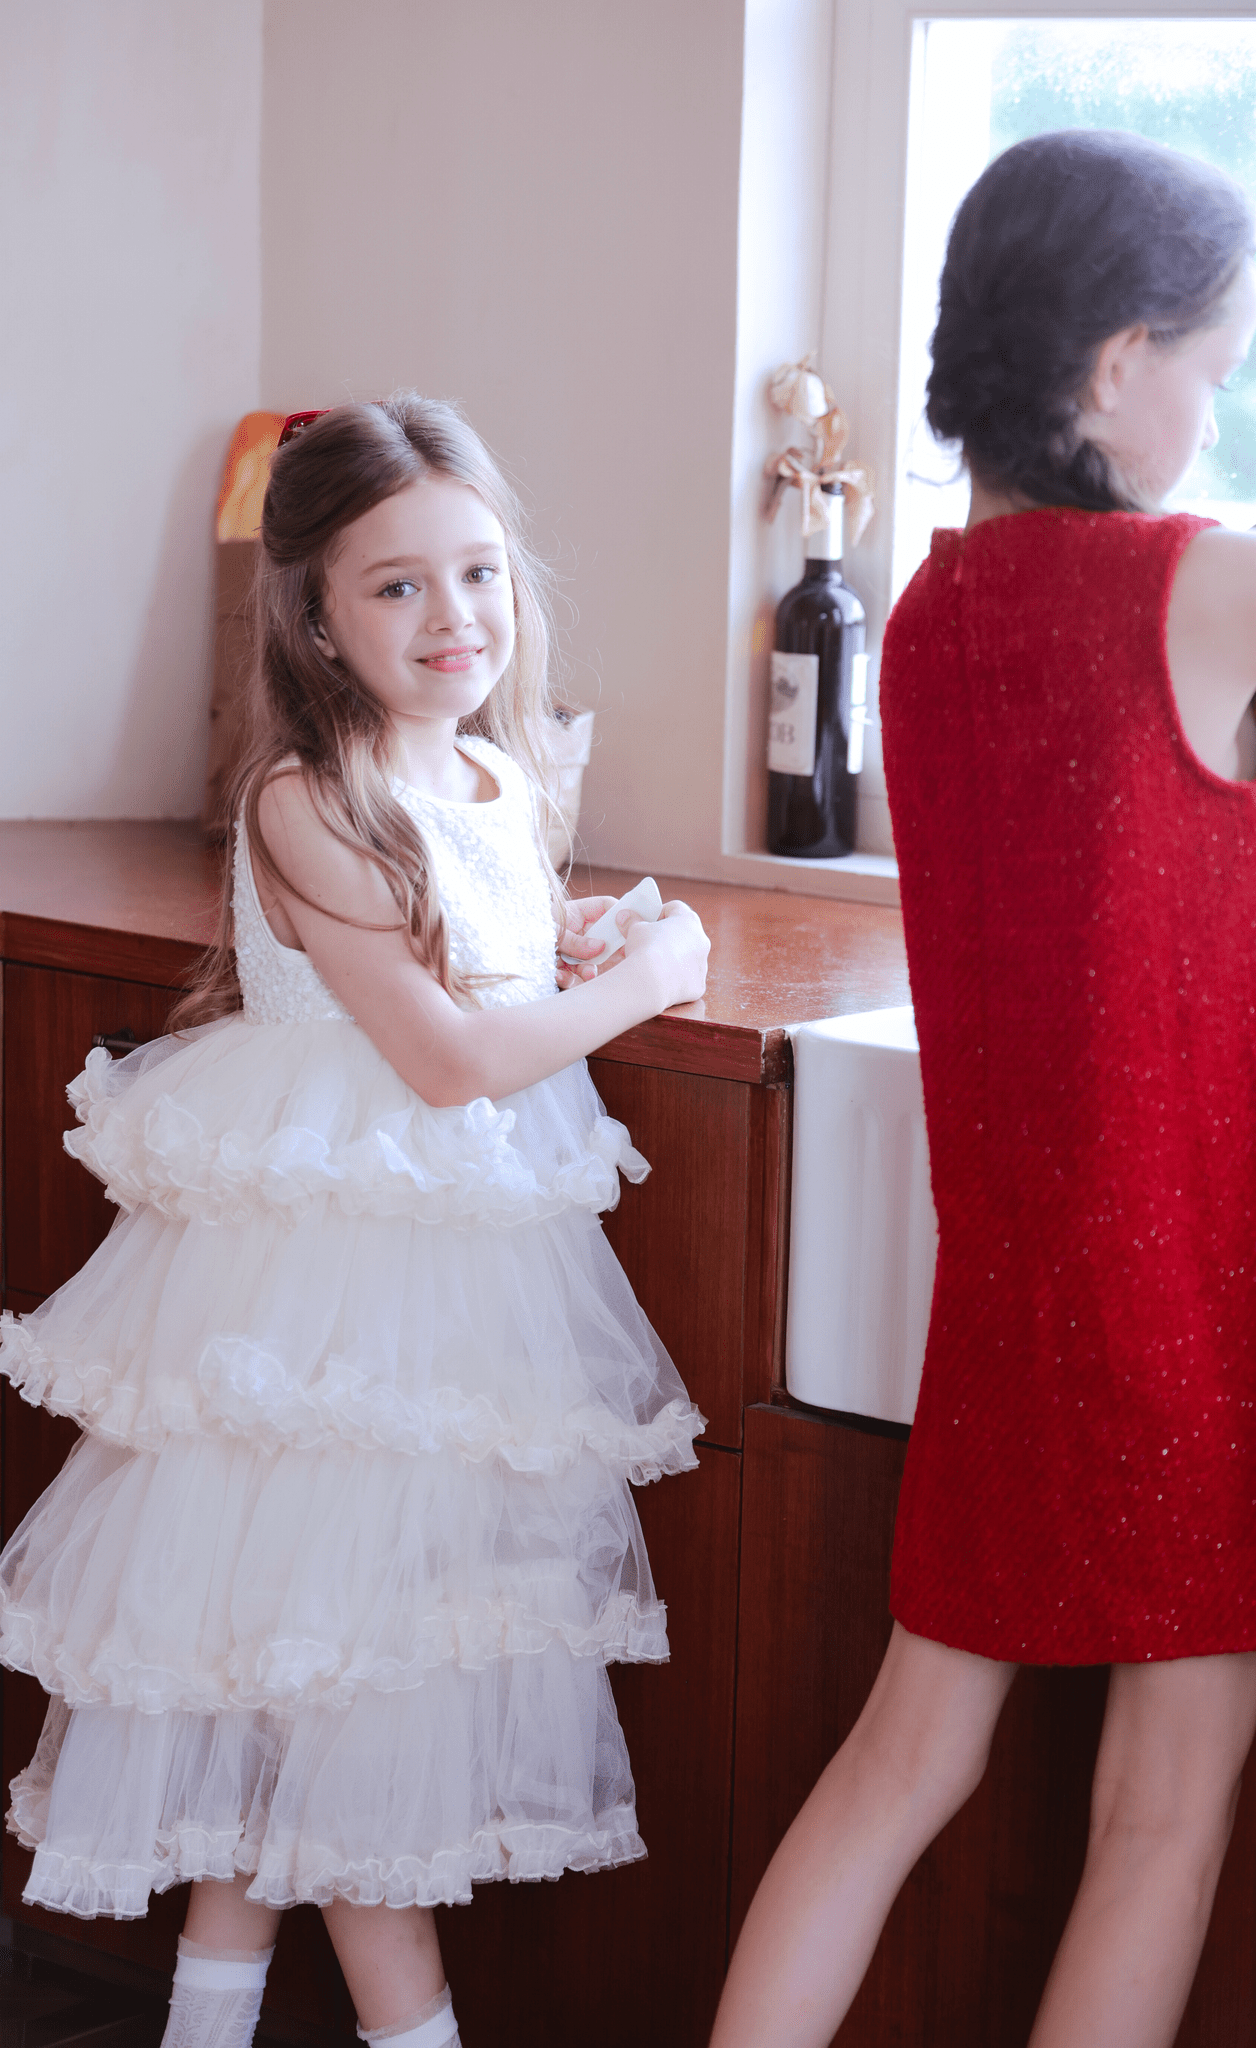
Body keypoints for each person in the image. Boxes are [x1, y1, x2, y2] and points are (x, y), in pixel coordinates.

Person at [0, 396, 710, 2048]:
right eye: (397, 588)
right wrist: (652, 982)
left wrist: (568, 934)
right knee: (335, 1736)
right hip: (317, 1330)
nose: (454, 618)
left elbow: (476, 952)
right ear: (311, 610)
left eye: (480, 573)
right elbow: (446, 1062)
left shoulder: (498, 772)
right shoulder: (309, 798)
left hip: (453, 1330)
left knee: (297, 1736)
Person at [710, 130, 1256, 2048]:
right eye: (1210, 361)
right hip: (1192, 1296)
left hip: (1014, 1290)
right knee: (1163, 1808)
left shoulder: (927, 620)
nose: (1214, 401)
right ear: (1117, 369)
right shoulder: (1208, 588)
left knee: (897, 1763)